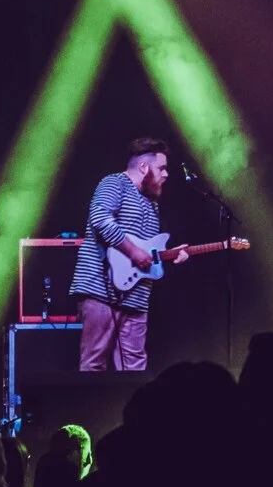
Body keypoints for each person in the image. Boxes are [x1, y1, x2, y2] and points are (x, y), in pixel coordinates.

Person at [69, 136, 190, 372]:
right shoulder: (115, 183)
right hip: (100, 289)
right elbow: (100, 218)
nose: (166, 175)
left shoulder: (151, 203)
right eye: (162, 168)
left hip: (137, 296)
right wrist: (134, 252)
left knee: (135, 369)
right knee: (94, 364)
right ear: (144, 167)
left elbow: (148, 252)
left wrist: (170, 255)